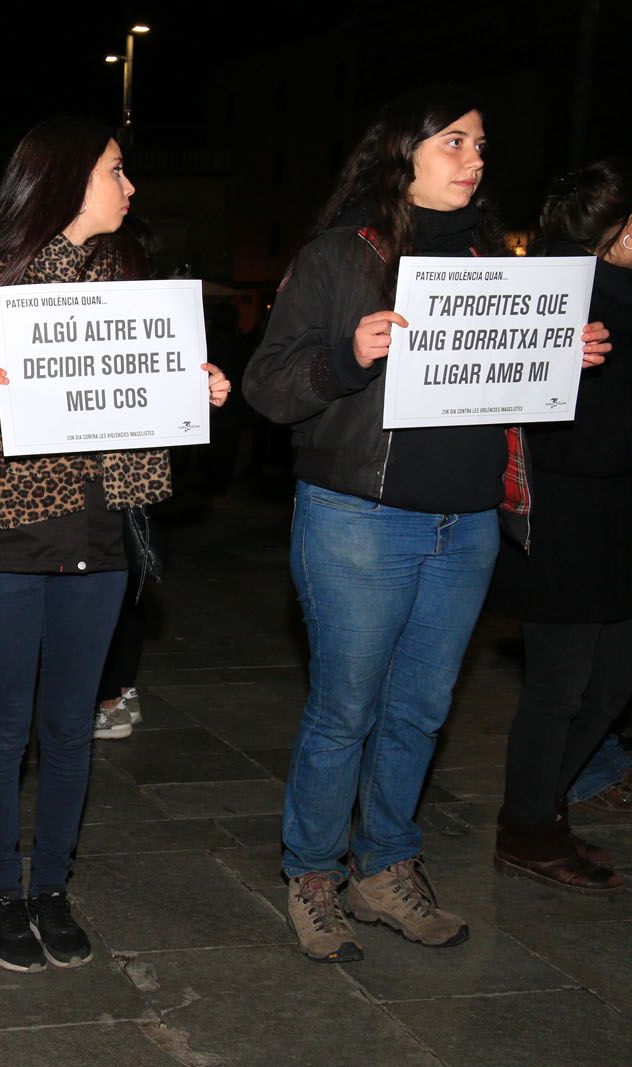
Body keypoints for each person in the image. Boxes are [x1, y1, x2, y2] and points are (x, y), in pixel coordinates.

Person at [243, 86, 611, 963]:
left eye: (480, 144)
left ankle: (387, 864)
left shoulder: (496, 260)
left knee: (420, 708)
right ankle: (314, 873)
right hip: (359, 520)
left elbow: (502, 385)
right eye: (453, 141)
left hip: (468, 524)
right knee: (346, 708)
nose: (474, 158)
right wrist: (347, 356)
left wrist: (558, 354)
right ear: (400, 153)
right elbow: (267, 386)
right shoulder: (342, 255)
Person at [0, 117, 230, 972]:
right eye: (117, 170)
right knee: (3, 729)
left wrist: (195, 391)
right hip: (3, 546)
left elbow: (149, 404)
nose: (131, 187)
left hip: (99, 541)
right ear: (64, 180)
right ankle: (1, 894)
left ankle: (51, 886)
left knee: (69, 729)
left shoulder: (132, 289)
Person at [489, 160, 632, 892]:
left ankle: (543, 807)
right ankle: (528, 824)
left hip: (613, 527)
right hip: (566, 528)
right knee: (560, 687)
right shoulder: (560, 297)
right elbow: (561, 438)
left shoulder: (617, 292)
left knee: (611, 683)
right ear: (617, 232)